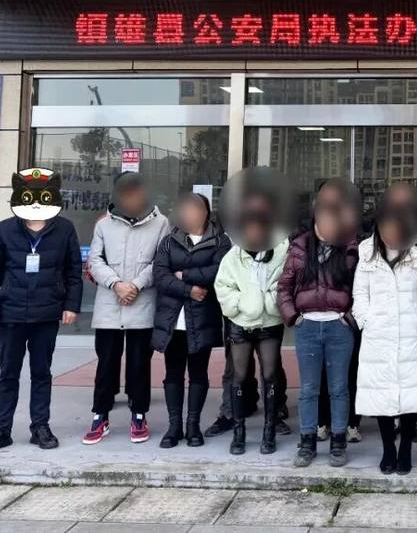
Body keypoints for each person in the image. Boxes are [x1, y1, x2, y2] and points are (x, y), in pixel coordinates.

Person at [0, 168, 83, 456]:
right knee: (7, 374)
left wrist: (71, 305)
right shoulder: (5, 229)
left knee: (41, 373)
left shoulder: (64, 228)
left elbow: (74, 272)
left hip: (47, 312)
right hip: (11, 313)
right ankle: (1, 430)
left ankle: (40, 427)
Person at [352, 186, 417, 475]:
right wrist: (366, 319)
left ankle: (406, 450)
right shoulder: (367, 251)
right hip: (378, 334)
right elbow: (359, 293)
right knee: (382, 396)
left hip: (411, 332)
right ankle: (389, 449)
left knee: (411, 396)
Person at [278, 179, 360, 468]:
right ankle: (307, 442)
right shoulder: (300, 247)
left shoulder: (349, 249)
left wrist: (350, 317)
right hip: (308, 327)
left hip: (339, 328)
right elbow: (284, 288)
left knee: (339, 388)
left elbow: (361, 289)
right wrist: (294, 317)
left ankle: (338, 441)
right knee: (309, 389)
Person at [82, 173, 168, 445]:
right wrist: (116, 284)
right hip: (110, 304)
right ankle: (100, 415)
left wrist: (136, 285)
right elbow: (94, 260)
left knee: (139, 363)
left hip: (142, 303)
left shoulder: (161, 223)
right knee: (106, 362)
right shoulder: (104, 224)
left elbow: (161, 261)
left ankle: (139, 414)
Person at [152, 192, 231, 448]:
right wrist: (189, 289)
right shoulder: (169, 241)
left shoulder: (220, 241)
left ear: (205, 213)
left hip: (202, 317)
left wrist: (183, 274)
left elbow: (218, 271)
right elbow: (160, 276)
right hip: (172, 320)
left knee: (198, 373)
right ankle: (174, 426)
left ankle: (193, 425)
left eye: (194, 209)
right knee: (173, 373)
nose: (188, 214)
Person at [214, 193, 290, 455]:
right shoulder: (233, 256)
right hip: (240, 324)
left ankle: (269, 431)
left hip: (270, 323)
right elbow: (223, 287)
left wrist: (265, 302)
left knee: (270, 375)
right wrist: (243, 304)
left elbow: (285, 284)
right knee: (238, 376)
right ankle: (239, 432)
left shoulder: (282, 251)